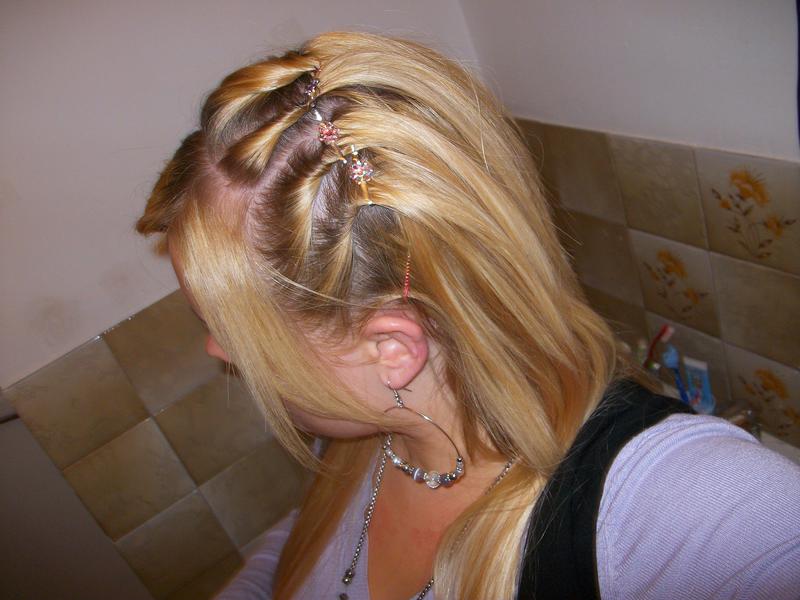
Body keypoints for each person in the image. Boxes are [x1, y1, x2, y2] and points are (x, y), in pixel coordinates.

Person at [136, 31, 800, 600]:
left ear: (392, 350)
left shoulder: (674, 508)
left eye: (231, 330)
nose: (217, 350)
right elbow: (302, 549)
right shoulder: (364, 431)